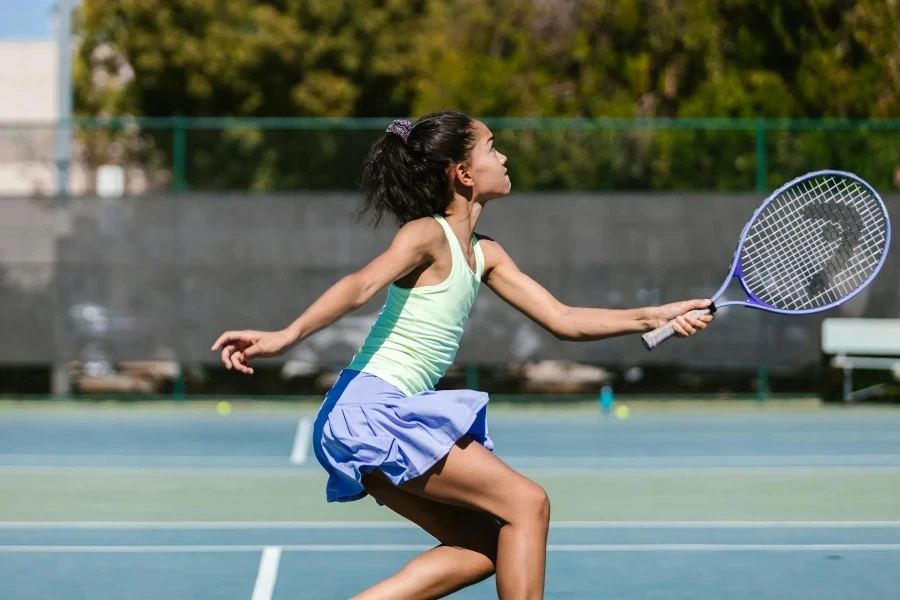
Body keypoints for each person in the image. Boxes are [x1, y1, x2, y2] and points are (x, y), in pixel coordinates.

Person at [211, 110, 713, 599]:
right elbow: (360, 284)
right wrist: (285, 336)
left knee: (483, 546)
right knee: (527, 503)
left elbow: (564, 320)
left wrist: (657, 316)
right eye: (493, 147)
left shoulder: (485, 253)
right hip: (370, 410)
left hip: (366, 415)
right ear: (465, 173)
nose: (505, 155)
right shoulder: (426, 234)